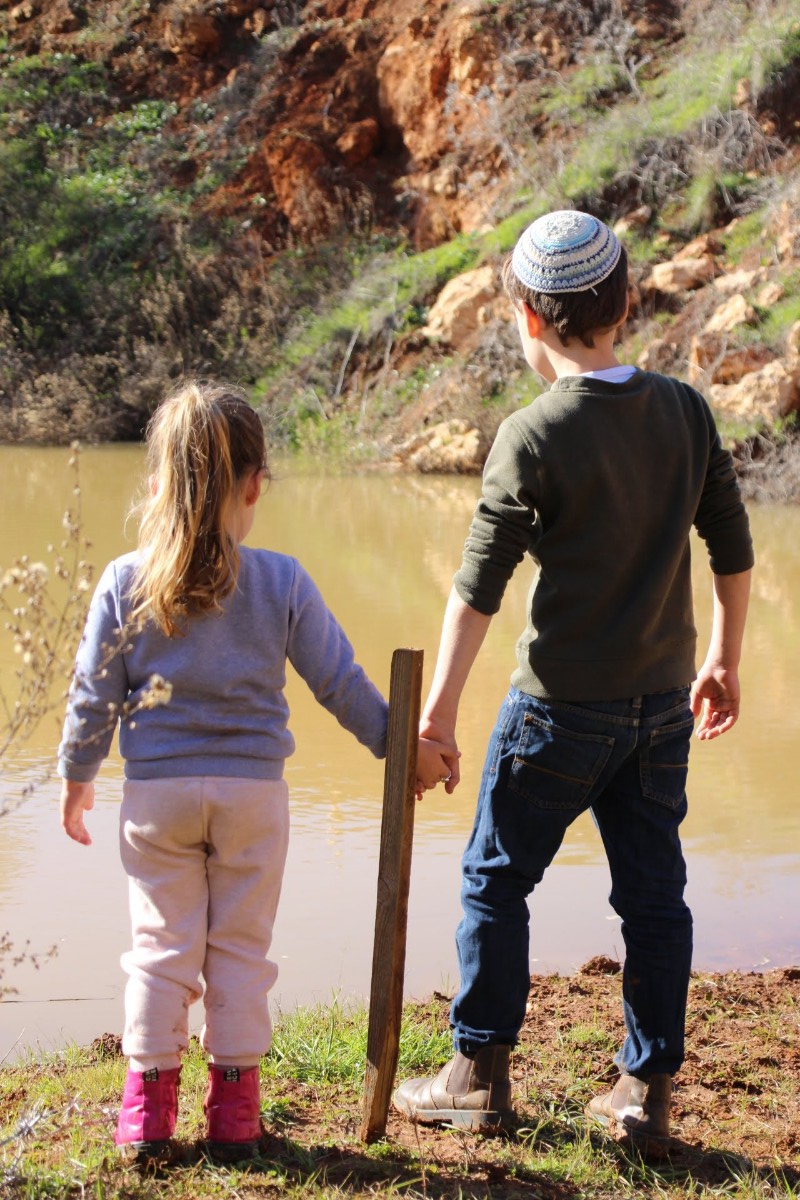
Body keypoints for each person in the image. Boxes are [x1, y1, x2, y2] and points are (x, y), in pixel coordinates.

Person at [392, 210, 754, 1154]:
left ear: (527, 318)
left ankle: (476, 1074)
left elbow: (476, 593)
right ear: (628, 302)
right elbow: (731, 543)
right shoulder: (683, 410)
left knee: (493, 882)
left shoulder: (532, 433)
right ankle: (645, 1093)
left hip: (555, 713)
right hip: (662, 709)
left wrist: (436, 721)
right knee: (654, 897)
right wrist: (725, 658)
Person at [58, 381, 452, 1167]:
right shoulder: (282, 581)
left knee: (160, 948)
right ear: (253, 483)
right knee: (240, 949)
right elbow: (340, 684)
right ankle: (235, 1115)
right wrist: (402, 750)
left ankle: (146, 1113)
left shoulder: (125, 581)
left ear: (160, 483)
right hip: (252, 798)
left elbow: (92, 693)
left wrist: (78, 776)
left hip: (157, 797)